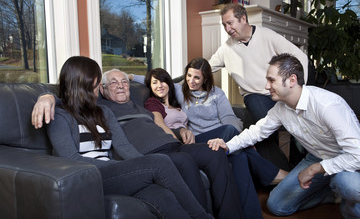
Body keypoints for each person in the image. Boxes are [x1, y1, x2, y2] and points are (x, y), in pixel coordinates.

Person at [32, 68, 245, 219]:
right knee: (165, 162)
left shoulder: (106, 111)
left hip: (154, 154)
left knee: (165, 193)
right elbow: (71, 151)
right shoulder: (68, 114)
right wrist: (47, 96)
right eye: (104, 85)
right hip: (97, 174)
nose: (120, 86)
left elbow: (124, 145)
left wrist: (147, 163)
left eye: (124, 82)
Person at [208, 53, 360, 219]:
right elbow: (257, 131)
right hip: (317, 157)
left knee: (348, 186)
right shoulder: (280, 109)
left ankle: (345, 199)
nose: (266, 86)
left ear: (292, 80)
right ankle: (332, 193)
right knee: (277, 205)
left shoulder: (328, 105)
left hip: (348, 160)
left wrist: (315, 169)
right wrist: (228, 145)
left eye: (271, 80)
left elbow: (357, 154)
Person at [142, 67, 289, 219]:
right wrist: (130, 76)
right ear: (150, 86)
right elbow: (159, 123)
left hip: (191, 141)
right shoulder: (153, 103)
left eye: (163, 81)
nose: (159, 85)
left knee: (240, 157)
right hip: (179, 145)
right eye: (154, 83)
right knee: (229, 131)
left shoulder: (176, 102)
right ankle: (270, 172)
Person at [208, 3, 309, 170]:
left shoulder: (267, 35)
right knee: (265, 121)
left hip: (279, 92)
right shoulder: (226, 48)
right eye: (224, 24)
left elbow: (299, 56)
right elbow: (206, 67)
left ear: (243, 19)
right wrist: (177, 80)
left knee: (297, 120)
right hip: (254, 95)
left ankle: (299, 164)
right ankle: (285, 171)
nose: (227, 28)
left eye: (230, 22)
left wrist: (299, 87)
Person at [133, 58, 243, 144]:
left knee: (241, 154)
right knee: (232, 133)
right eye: (189, 75)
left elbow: (228, 117)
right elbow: (159, 81)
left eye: (197, 78)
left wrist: (240, 135)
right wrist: (130, 76)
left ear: (205, 79)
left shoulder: (217, 93)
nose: (191, 81)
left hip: (221, 134)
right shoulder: (180, 90)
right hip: (198, 138)